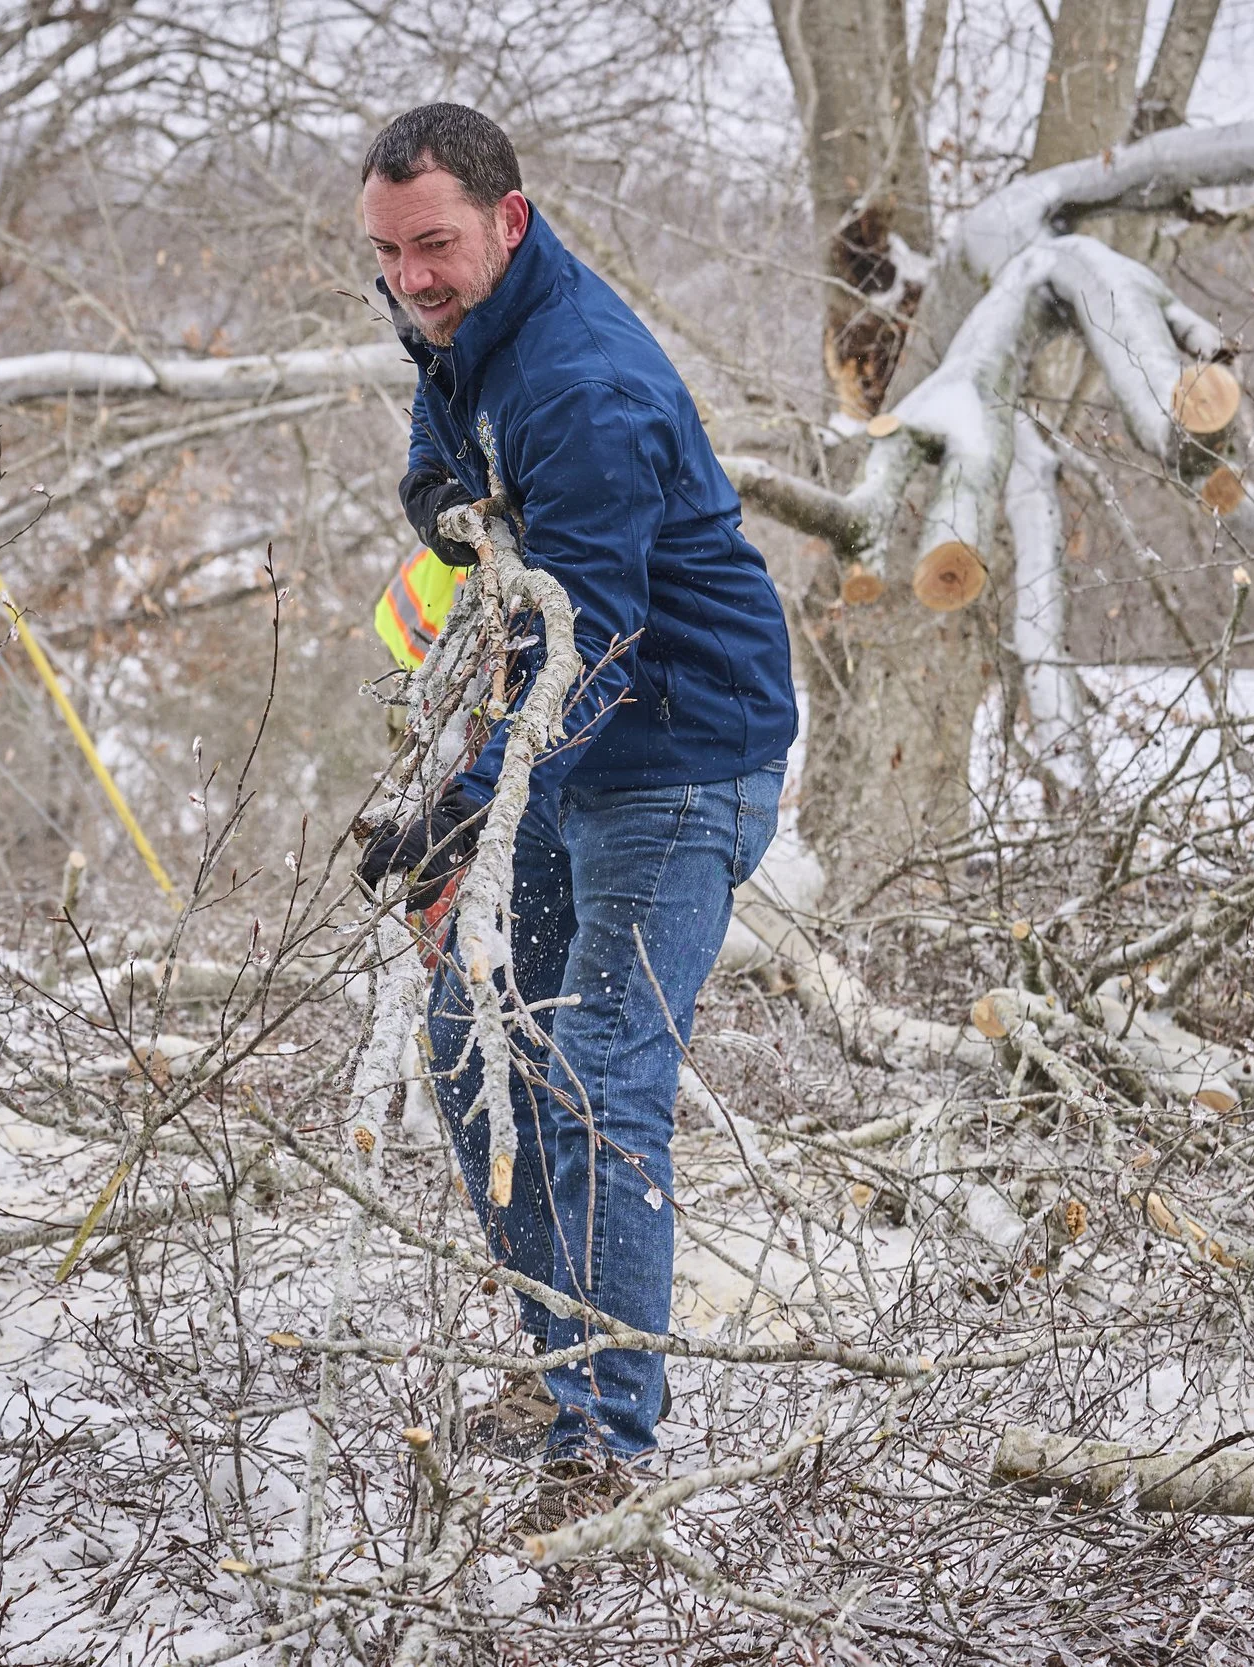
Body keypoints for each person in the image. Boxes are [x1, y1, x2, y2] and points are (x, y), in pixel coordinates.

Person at [352, 104, 797, 1513]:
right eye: (388, 252)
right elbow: (445, 386)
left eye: (435, 246)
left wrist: (464, 807)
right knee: (471, 1034)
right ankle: (565, 1368)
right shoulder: (475, 319)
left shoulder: (582, 390)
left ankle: (608, 1438)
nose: (413, 278)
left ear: (510, 220)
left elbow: (585, 652)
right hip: (582, 748)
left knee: (601, 1077)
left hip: (678, 754)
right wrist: (435, 481)